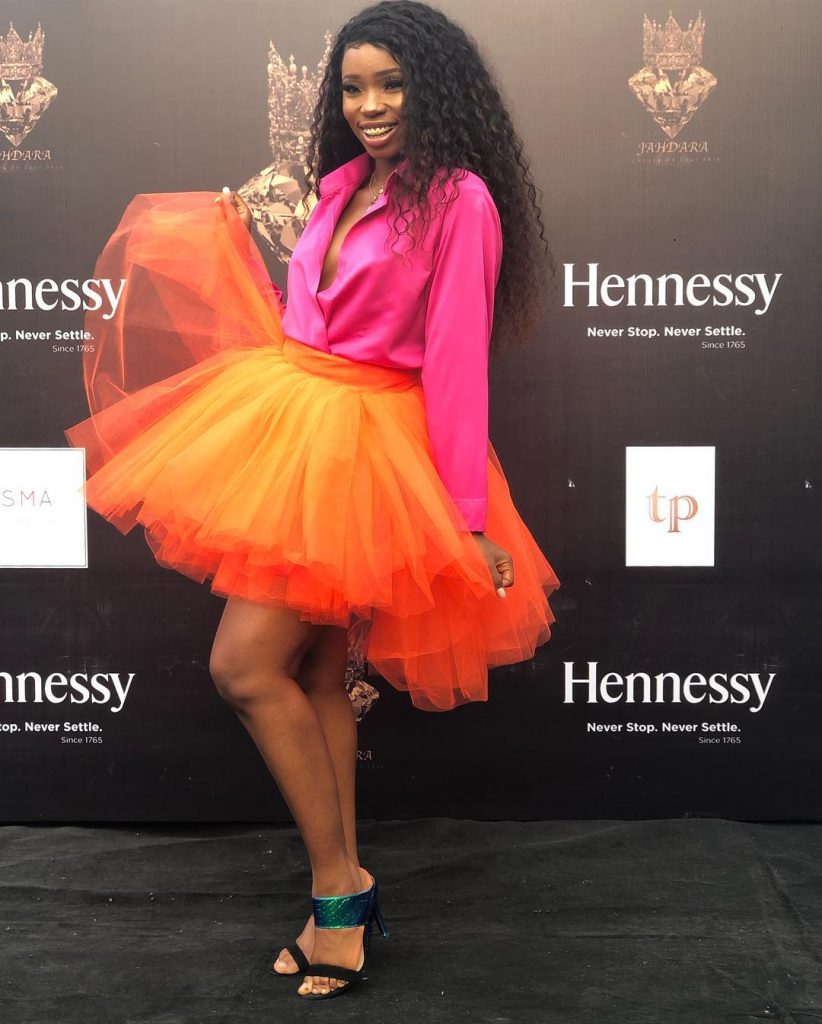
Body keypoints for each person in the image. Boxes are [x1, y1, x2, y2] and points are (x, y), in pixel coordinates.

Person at [64, 0, 560, 1002]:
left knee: (242, 666)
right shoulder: (342, 185)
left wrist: (464, 516)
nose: (371, 105)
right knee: (320, 673)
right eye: (354, 87)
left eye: (393, 84)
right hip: (295, 419)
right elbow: (313, 316)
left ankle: (340, 892)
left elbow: (455, 363)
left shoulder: (460, 201)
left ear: (436, 88)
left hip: (366, 446)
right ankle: (346, 890)